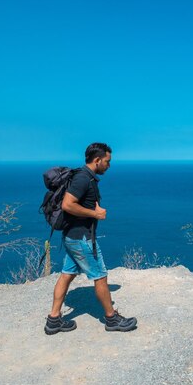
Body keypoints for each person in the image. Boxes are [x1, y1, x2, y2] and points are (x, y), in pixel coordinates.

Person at [44, 143, 137, 335]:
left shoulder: (85, 177)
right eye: (107, 161)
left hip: (72, 236)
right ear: (97, 160)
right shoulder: (83, 179)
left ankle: (53, 320)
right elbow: (68, 205)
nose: (109, 165)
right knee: (100, 276)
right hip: (82, 239)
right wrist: (95, 214)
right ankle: (111, 319)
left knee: (66, 275)